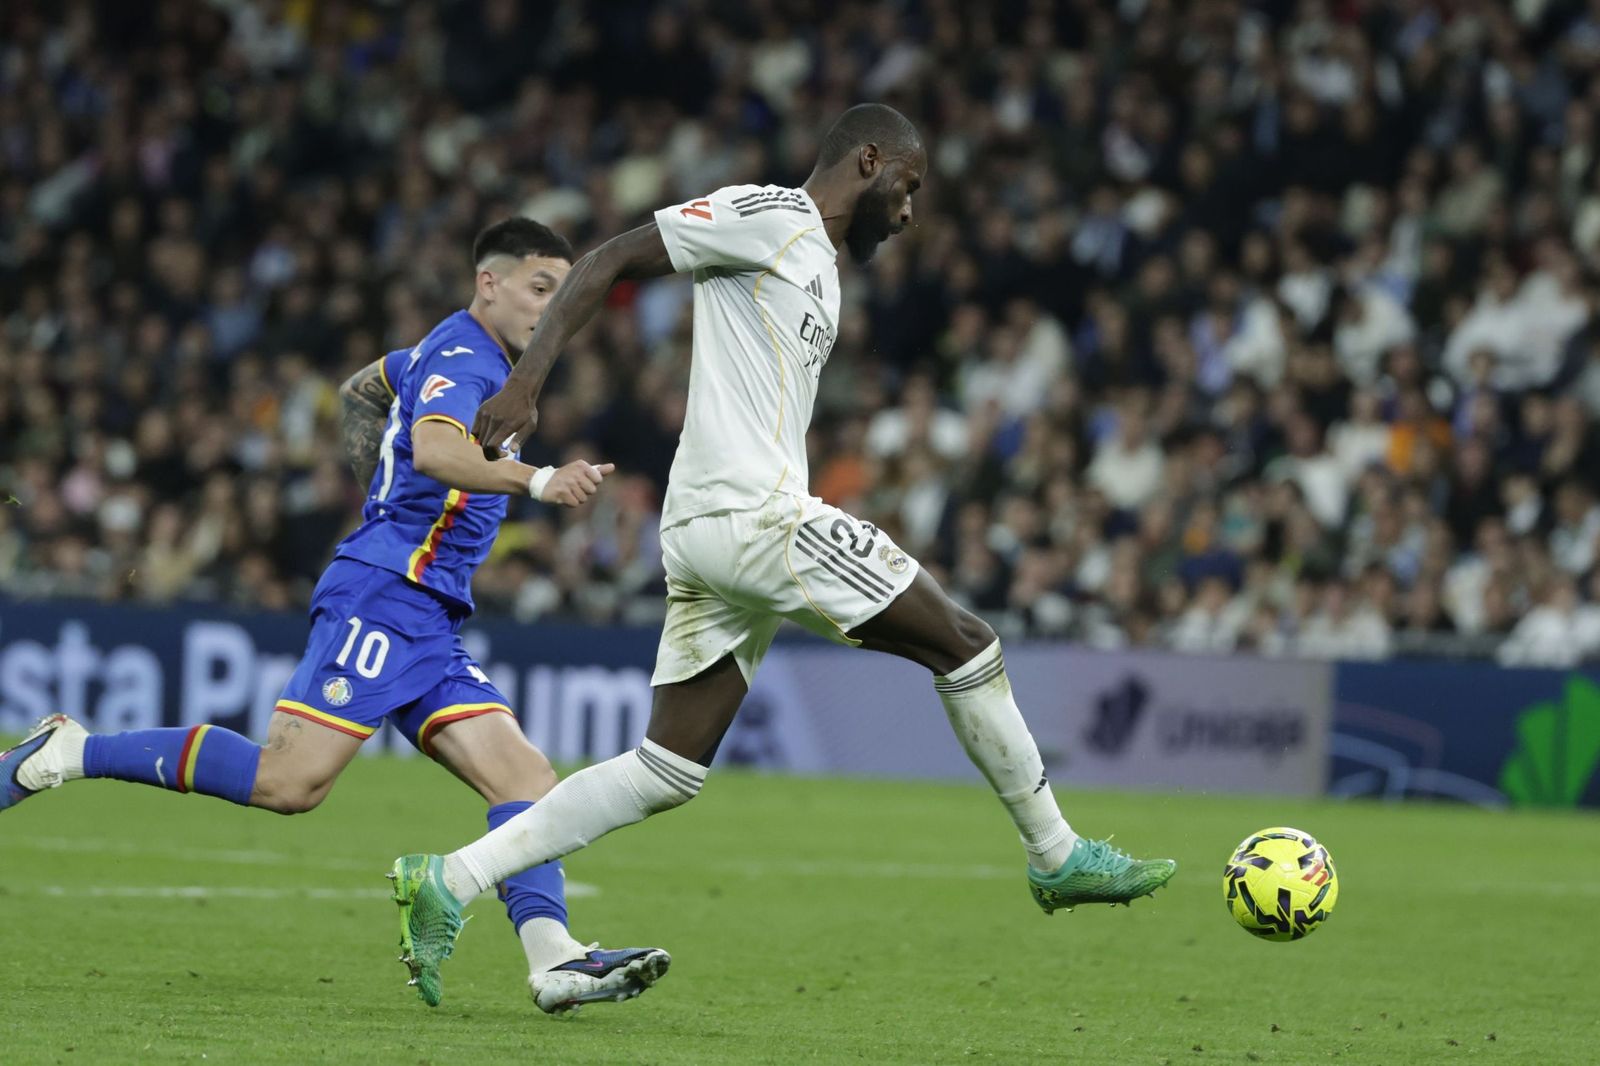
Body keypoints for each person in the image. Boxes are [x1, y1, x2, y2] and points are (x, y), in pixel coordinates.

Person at [388, 105, 1177, 1005]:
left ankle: (447, 880)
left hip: (715, 528)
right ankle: (1056, 853)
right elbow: (610, 259)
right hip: (753, 517)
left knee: (666, 771)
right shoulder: (770, 214)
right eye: (908, 188)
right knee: (966, 642)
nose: (910, 212)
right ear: (869, 161)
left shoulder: (821, 271)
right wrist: (528, 382)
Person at [0, 218, 668, 1014]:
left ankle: (555, 960)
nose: (550, 309)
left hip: (427, 607)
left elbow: (366, 387)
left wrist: (376, 483)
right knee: (289, 781)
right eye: (538, 289)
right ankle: (70, 751)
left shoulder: (446, 350)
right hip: (385, 596)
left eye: (561, 295)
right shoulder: (467, 355)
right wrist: (536, 480)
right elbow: (432, 448)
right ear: (488, 282)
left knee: (525, 776)